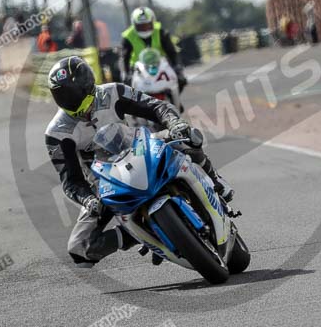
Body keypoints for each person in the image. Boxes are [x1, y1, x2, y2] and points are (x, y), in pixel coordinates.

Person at [44, 55, 233, 267]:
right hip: (104, 184)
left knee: (186, 137)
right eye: (63, 95)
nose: (72, 100)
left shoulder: (113, 92)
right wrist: (87, 199)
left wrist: (174, 123)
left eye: (74, 93)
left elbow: (156, 106)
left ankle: (215, 180)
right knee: (79, 248)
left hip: (140, 148)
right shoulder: (56, 133)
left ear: (88, 84)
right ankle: (142, 234)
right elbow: (71, 181)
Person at [120, 7, 186, 92]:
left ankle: (175, 99)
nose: (144, 29)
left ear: (152, 22)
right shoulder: (128, 36)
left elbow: (171, 52)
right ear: (134, 24)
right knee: (128, 89)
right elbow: (124, 57)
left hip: (161, 65)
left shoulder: (161, 32)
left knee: (180, 80)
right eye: (141, 26)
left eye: (147, 25)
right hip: (138, 69)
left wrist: (177, 67)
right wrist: (126, 73)